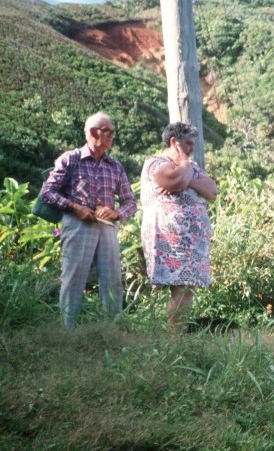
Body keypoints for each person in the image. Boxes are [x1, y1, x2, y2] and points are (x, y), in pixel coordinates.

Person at [40, 111, 137, 328]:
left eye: (112, 131)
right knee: (73, 279)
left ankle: (109, 330)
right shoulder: (70, 159)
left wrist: (117, 214)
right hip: (77, 224)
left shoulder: (115, 166)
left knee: (112, 281)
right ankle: (68, 332)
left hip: (107, 228)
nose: (112, 135)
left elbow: (131, 202)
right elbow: (48, 192)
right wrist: (75, 207)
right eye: (108, 131)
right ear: (93, 132)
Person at [140, 122, 218, 331]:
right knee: (181, 287)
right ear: (174, 142)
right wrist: (185, 171)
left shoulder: (190, 167)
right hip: (170, 237)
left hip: (190, 240)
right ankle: (174, 338)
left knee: (186, 288)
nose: (192, 149)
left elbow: (211, 190)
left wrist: (189, 180)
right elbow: (174, 181)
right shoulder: (156, 163)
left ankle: (177, 335)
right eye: (188, 144)